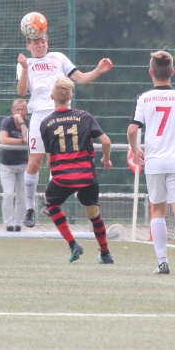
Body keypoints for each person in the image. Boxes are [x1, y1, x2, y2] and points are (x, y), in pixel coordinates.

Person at [16, 32, 112, 228]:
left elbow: (81, 78)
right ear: (29, 45)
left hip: (59, 116)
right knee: (34, 163)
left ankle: (49, 202)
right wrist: (25, 68)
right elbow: (22, 92)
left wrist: (98, 70)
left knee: (56, 161)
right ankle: (30, 209)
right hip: (39, 116)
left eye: (43, 41)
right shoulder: (25, 63)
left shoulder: (58, 58)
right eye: (36, 42)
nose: (41, 45)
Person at [127, 51, 175, 275]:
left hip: (154, 163)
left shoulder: (144, 98)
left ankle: (162, 263)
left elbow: (132, 130)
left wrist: (135, 149)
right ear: (172, 72)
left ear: (150, 72)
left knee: (158, 211)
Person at [39, 77, 114, 263]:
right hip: (86, 174)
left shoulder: (46, 123)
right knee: (93, 213)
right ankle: (105, 254)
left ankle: (73, 244)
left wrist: (59, 171)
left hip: (62, 177)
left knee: (50, 202)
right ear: (70, 96)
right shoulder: (85, 117)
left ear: (52, 97)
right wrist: (106, 159)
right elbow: (106, 141)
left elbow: (49, 161)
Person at [0, 99, 29, 231]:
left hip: (24, 164)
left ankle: (18, 224)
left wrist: (22, 123)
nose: (20, 112)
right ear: (13, 110)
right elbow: (3, 139)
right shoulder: (7, 122)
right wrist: (21, 141)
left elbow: (29, 138)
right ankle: (9, 224)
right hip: (7, 165)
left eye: (22, 110)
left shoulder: (28, 122)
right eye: (17, 109)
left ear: (26, 111)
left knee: (22, 196)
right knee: (8, 194)